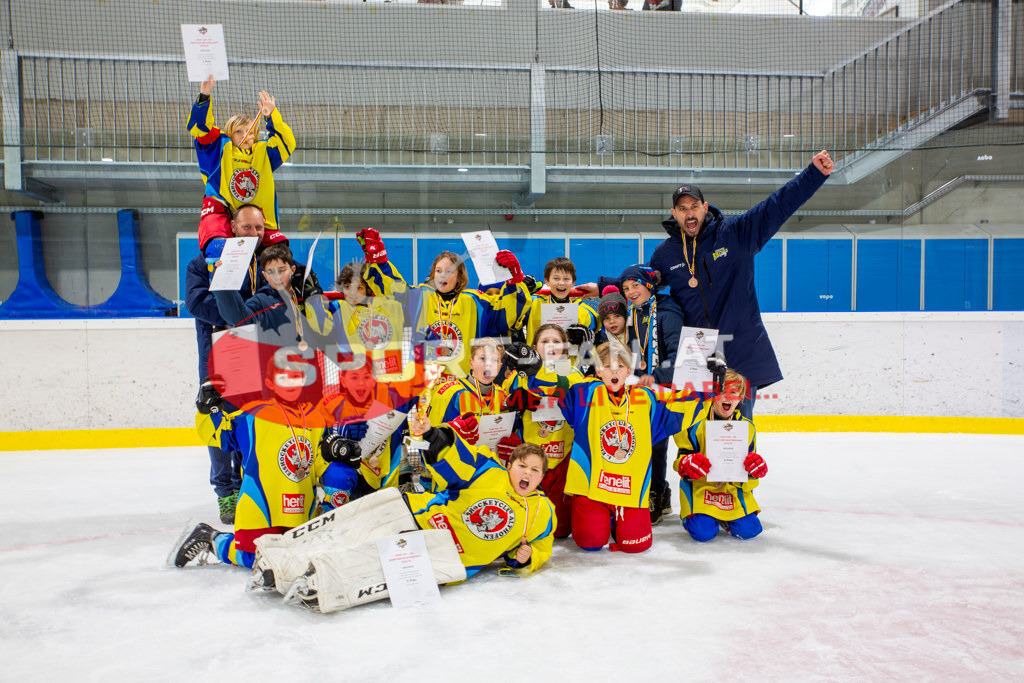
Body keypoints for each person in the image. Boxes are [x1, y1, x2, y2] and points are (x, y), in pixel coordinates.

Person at [248, 424, 555, 613]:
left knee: (362, 562)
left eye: (535, 470)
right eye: (522, 466)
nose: (527, 473)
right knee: (339, 533)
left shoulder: (543, 514)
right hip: (414, 513)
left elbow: (541, 548)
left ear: (542, 477)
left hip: (443, 555)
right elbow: (456, 456)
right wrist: (434, 435)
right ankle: (277, 555)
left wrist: (522, 559)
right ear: (509, 464)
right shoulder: (490, 473)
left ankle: (296, 578)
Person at [648, 150, 835, 417]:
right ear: (673, 213)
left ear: (705, 206)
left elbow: (777, 206)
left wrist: (814, 174)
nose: (689, 214)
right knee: (694, 436)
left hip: (739, 352)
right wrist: (605, 286)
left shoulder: (735, 234)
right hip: (697, 358)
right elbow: (642, 283)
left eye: (694, 207)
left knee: (735, 434)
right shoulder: (665, 254)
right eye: (682, 209)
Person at [168, 357, 360, 569]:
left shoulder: (315, 417)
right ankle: (211, 538)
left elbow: (320, 462)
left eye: (295, 377)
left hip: (299, 508)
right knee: (252, 559)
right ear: (270, 383)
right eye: (283, 378)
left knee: (300, 555)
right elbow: (219, 436)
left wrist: (338, 459)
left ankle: (324, 524)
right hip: (259, 510)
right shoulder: (253, 415)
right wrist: (207, 409)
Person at [556, 342, 700, 553]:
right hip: (591, 489)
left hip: (630, 489)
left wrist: (708, 383)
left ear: (628, 370)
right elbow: (559, 392)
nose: (614, 371)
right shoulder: (585, 394)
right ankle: (604, 517)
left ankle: (615, 519)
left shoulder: (645, 398)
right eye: (606, 366)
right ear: (597, 370)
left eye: (620, 366)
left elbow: (676, 412)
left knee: (637, 545)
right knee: (590, 542)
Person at [184, 204, 268, 523]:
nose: (253, 234)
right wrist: (238, 318)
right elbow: (195, 301)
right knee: (218, 419)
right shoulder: (202, 262)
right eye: (247, 227)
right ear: (232, 227)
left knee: (251, 421)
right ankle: (226, 492)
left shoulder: (265, 262)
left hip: (255, 354)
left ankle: (249, 485)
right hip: (216, 353)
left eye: (259, 228)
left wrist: (247, 318)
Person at [357, 228, 531, 379]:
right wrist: (378, 260)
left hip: (464, 382)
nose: (442, 275)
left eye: (448, 271)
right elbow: (394, 289)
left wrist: (514, 279)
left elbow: (505, 314)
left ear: (460, 276)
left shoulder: (474, 301)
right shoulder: (421, 297)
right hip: (426, 383)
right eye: (438, 271)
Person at [188, 76, 295, 253]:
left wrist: (271, 116)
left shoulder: (264, 153)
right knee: (217, 245)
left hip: (258, 220)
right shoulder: (219, 149)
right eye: (239, 131)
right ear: (229, 133)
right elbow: (200, 128)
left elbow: (287, 143)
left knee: (279, 254)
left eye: (250, 131)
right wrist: (205, 95)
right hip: (223, 215)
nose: (246, 135)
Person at [504, 323, 587, 538]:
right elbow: (503, 407)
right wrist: (513, 402)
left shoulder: (575, 375)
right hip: (530, 456)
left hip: (563, 457)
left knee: (560, 530)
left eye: (556, 342)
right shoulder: (520, 374)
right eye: (544, 341)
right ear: (533, 347)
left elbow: (583, 409)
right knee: (528, 525)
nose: (550, 346)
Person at [618, 264, 684, 525]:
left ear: (648, 285)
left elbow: (676, 356)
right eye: (626, 288)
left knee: (656, 444)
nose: (631, 292)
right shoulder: (636, 314)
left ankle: (657, 492)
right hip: (640, 388)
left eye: (635, 285)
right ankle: (657, 491)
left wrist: (655, 377)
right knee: (641, 443)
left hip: (662, 388)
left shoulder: (667, 312)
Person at [673, 369, 767, 542]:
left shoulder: (747, 428)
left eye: (733, 393)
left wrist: (753, 471)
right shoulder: (693, 424)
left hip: (732, 490)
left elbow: (749, 467)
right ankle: (692, 517)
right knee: (703, 532)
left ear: (740, 398)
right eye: (722, 392)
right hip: (702, 489)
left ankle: (726, 519)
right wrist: (688, 464)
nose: (728, 398)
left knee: (751, 530)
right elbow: (681, 461)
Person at [522, 257, 598, 361]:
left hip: (570, 368)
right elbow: (511, 314)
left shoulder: (583, 310)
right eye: (556, 278)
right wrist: (520, 289)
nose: (561, 283)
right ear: (547, 281)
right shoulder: (533, 303)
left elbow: (599, 333)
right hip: (537, 367)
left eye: (566, 279)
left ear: (573, 282)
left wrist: (587, 336)